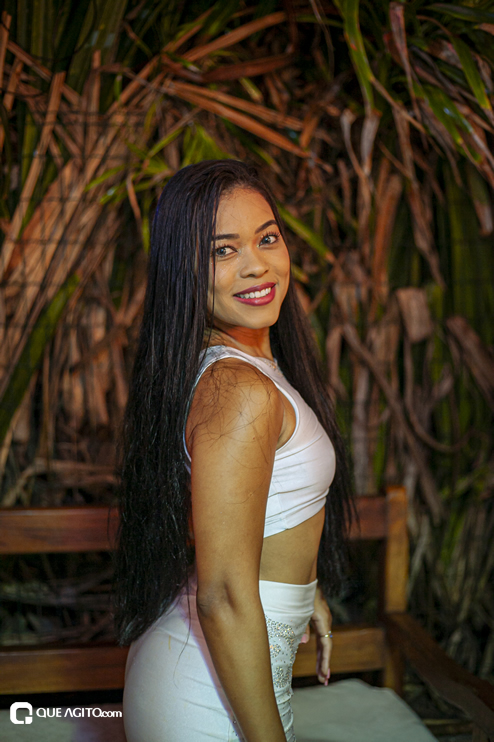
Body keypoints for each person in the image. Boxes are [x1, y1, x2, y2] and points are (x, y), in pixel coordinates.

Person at [114, 160, 353, 741]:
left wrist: (305, 587)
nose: (256, 265)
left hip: (223, 666)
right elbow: (221, 595)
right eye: (223, 251)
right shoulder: (238, 391)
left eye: (266, 238)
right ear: (183, 269)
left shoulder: (244, 369)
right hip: (203, 692)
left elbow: (264, 510)